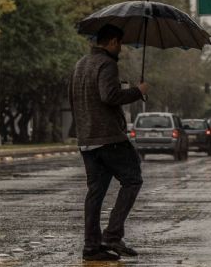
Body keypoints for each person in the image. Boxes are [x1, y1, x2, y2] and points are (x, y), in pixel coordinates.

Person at [68, 24, 148, 262]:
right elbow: (109, 96)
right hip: (109, 138)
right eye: (120, 44)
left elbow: (72, 98)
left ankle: (91, 247)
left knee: (95, 193)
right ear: (112, 42)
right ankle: (112, 235)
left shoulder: (80, 64)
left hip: (87, 139)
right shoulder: (107, 64)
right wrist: (137, 91)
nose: (121, 49)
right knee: (133, 179)